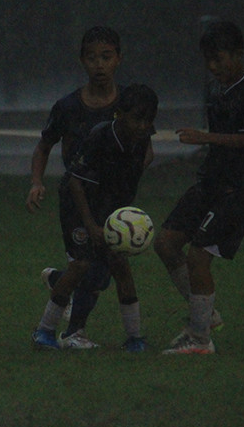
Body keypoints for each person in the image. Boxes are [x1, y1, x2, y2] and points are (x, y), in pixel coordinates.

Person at [26, 27, 151, 349]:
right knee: (85, 267)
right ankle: (63, 332)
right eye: (92, 58)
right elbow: (44, 146)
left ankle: (131, 338)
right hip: (77, 197)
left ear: (118, 59)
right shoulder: (68, 107)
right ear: (82, 60)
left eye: (106, 57)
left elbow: (144, 150)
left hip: (112, 202)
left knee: (106, 270)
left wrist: (126, 180)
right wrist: (37, 182)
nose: (99, 65)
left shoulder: (132, 104)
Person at [155, 21, 244, 355]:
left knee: (198, 256)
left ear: (239, 53)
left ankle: (200, 338)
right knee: (165, 243)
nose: (213, 66)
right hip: (210, 182)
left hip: (235, 188)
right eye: (208, 60)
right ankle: (206, 314)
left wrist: (206, 138)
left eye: (219, 59)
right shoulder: (216, 89)